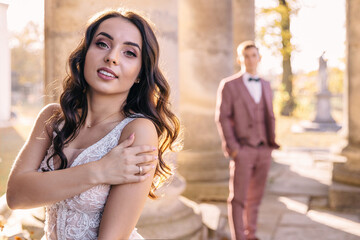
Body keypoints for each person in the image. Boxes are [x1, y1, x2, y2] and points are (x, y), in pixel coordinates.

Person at [6, 8, 180, 240]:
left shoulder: (137, 131)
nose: (112, 57)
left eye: (129, 52)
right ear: (85, 53)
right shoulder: (53, 119)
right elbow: (16, 196)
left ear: (140, 73)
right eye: (102, 44)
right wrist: (100, 170)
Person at [215, 40, 279, 240]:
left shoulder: (267, 85)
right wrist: (233, 148)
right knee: (238, 198)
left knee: (256, 197)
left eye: (254, 55)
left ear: (259, 58)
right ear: (239, 59)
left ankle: (251, 234)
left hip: (264, 149)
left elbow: (269, 114)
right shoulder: (229, 85)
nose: (250, 59)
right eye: (246, 55)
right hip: (242, 149)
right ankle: (239, 237)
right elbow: (222, 117)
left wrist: (270, 145)